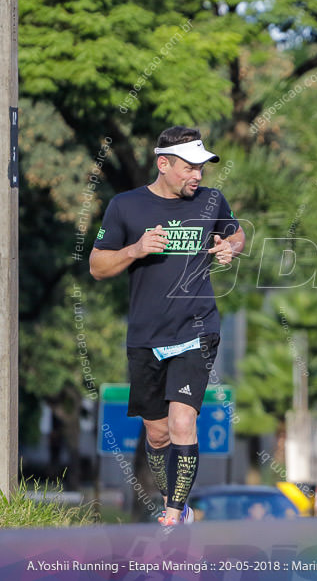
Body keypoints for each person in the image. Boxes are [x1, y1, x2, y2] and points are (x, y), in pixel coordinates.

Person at [90, 126, 245, 526]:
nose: (198, 175)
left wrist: (230, 246)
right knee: (157, 434)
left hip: (197, 329)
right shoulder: (125, 207)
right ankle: (175, 501)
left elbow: (237, 232)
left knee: (182, 421)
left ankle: (174, 513)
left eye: (202, 168)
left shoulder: (212, 201)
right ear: (164, 164)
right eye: (190, 167)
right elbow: (97, 266)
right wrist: (136, 249)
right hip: (146, 336)